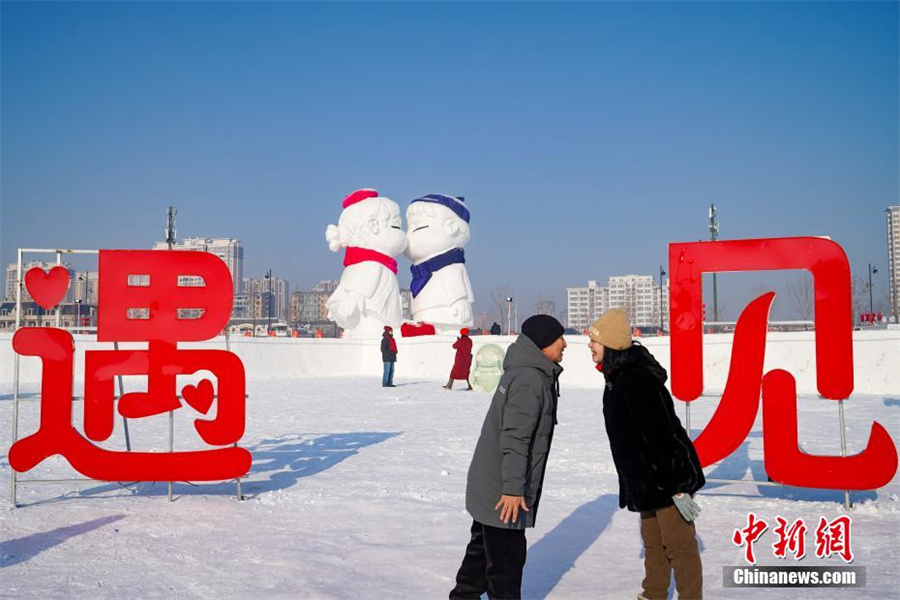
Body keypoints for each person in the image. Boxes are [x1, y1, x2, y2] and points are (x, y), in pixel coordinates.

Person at [588, 308, 705, 600]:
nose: (589, 345)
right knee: (653, 543)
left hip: (664, 480)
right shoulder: (616, 378)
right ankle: (652, 594)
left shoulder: (635, 380)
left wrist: (677, 485)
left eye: (594, 340)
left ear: (612, 345)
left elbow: (661, 434)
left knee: (679, 545)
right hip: (643, 482)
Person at [450, 314, 567, 600]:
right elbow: (515, 439)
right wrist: (514, 489)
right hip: (504, 492)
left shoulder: (527, 372)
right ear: (542, 344)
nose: (565, 344)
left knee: (480, 554)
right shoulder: (529, 380)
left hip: (492, 484)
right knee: (505, 567)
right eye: (558, 338)